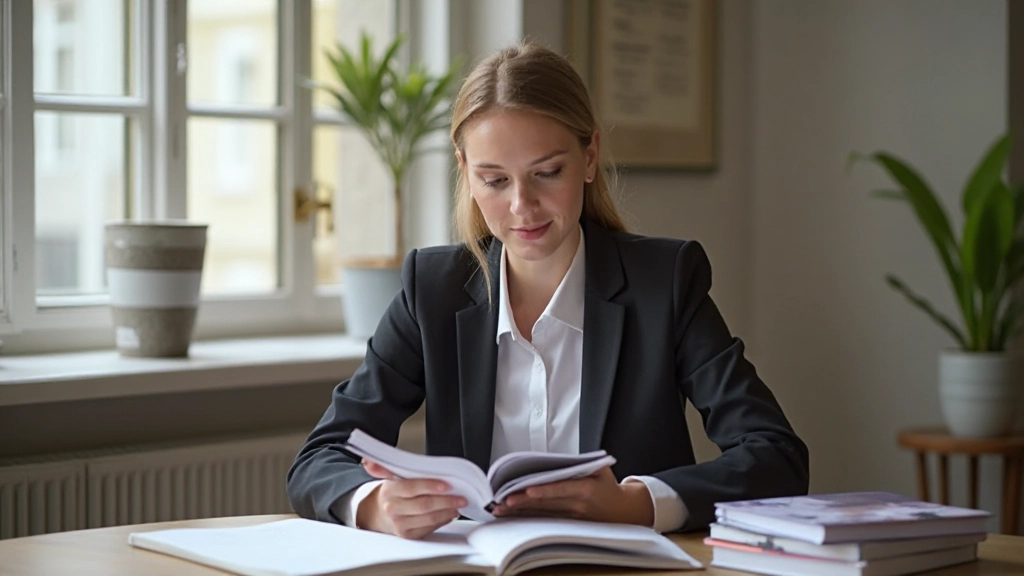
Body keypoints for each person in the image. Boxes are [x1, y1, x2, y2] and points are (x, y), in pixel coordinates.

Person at [287, 41, 809, 540]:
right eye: (495, 180)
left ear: (589, 156)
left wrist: (635, 503)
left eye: (547, 172)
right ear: (466, 171)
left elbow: (776, 455)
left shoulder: (664, 282)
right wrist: (374, 504)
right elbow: (319, 457)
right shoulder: (432, 290)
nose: (522, 206)